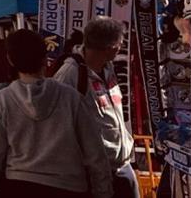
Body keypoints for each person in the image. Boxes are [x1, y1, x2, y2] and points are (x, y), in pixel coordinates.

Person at [0, 29, 111, 198]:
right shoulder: (71, 97)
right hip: (67, 187)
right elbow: (95, 152)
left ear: (10, 60)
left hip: (18, 186)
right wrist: (103, 191)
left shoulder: (3, 100)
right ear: (44, 58)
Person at [53, 17, 137, 198]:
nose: (120, 48)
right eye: (119, 44)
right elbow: (59, 126)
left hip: (122, 164)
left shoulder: (108, 67)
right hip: (92, 173)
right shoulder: (70, 74)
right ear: (109, 48)